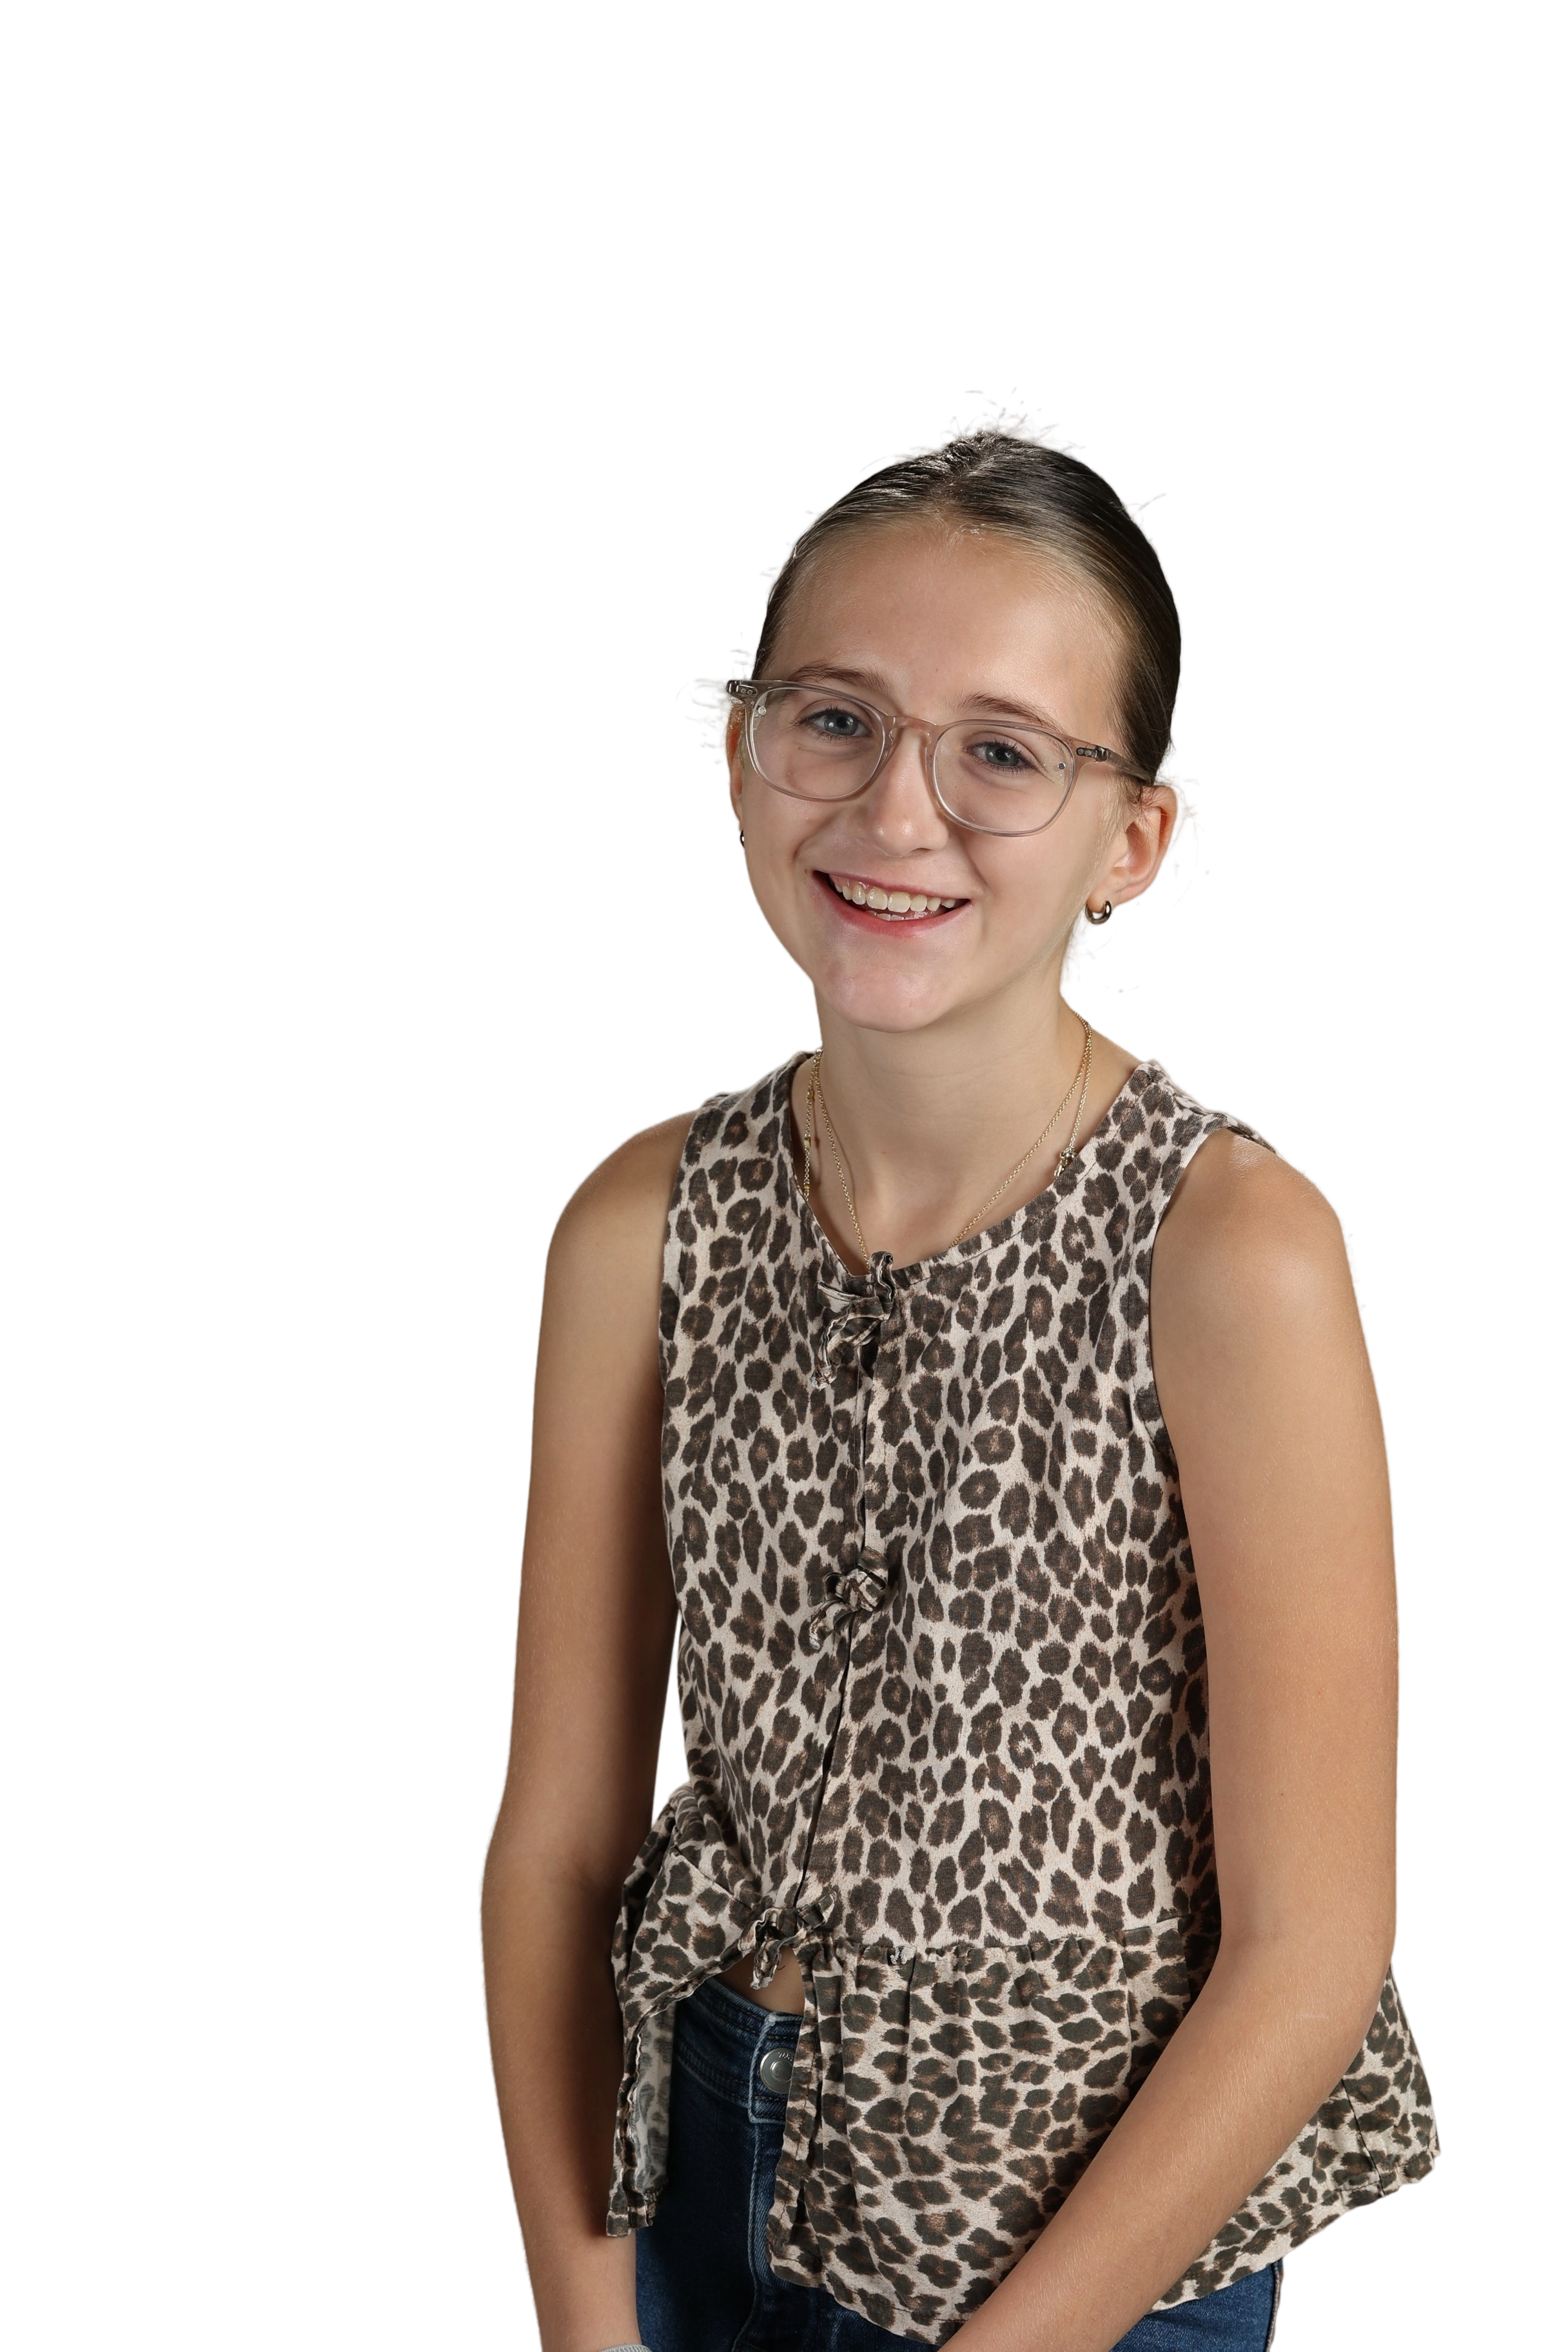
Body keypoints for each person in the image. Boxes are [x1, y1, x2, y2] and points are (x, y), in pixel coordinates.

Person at [476, 395, 1438, 2352]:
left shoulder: (1230, 1254)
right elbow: (560, 1840)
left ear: (1136, 838)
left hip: (1097, 2250)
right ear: (736, 744)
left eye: (1001, 751)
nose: (895, 814)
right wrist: (589, 2323)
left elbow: (1314, 1949)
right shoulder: (635, 1227)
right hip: (701, 2178)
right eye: (834, 717)